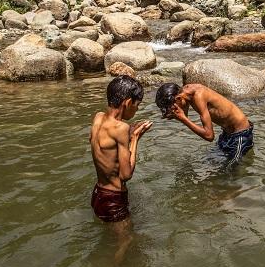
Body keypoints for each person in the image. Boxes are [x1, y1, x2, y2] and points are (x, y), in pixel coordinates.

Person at [89, 75, 153, 223]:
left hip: (98, 194)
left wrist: (128, 134)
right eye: (137, 105)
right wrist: (135, 138)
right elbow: (126, 175)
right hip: (114, 199)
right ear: (128, 102)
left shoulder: (98, 117)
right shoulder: (121, 128)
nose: (137, 109)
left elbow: (104, 146)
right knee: (128, 238)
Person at [155, 83, 253, 165]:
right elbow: (184, 113)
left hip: (240, 135)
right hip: (226, 134)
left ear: (179, 98)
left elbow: (209, 136)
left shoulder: (199, 96)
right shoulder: (186, 92)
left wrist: (183, 119)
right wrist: (179, 116)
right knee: (212, 161)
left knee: (232, 171)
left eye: (174, 108)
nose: (174, 110)